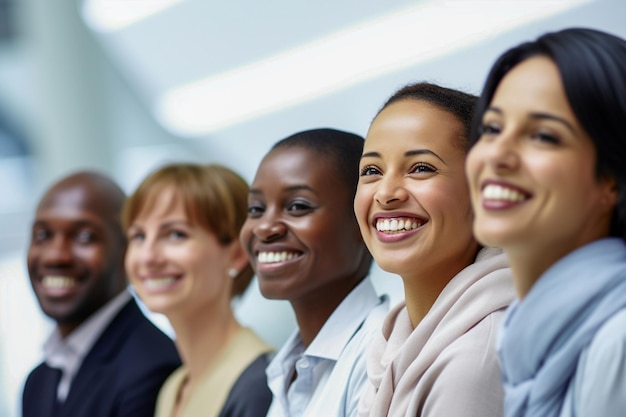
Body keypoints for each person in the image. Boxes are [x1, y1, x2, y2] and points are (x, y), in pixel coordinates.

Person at [466, 28, 626, 417]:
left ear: (612, 179)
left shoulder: (617, 339)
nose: (497, 155)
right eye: (492, 129)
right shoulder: (524, 333)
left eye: (542, 136)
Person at [354, 82, 515, 417]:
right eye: (371, 171)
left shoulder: (475, 358)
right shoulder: (395, 344)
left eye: (421, 168)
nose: (386, 193)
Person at [239, 128, 389, 417]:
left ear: (364, 221)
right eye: (256, 209)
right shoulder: (288, 367)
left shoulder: (380, 356)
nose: (264, 227)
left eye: (297, 206)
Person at [22, 171, 181, 417]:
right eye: (43, 235)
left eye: (85, 237)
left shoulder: (153, 369)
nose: (55, 255)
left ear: (127, 249)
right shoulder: (38, 381)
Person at [123, 163, 273, 417]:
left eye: (175, 235)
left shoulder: (260, 384)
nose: (147, 256)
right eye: (138, 236)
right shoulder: (173, 387)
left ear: (237, 254)